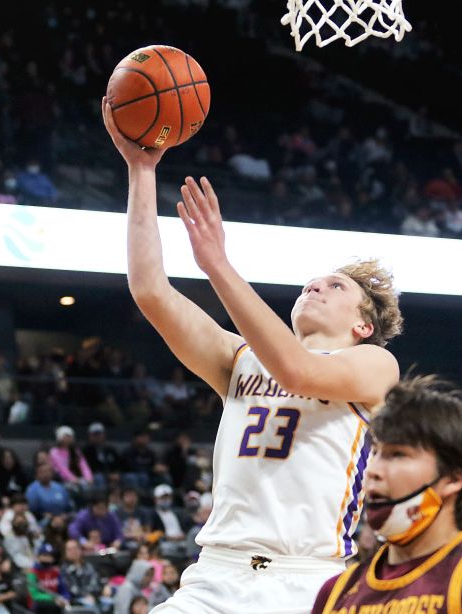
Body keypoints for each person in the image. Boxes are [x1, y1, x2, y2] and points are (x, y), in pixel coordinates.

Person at [103, 95, 402, 614]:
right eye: (309, 284)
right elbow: (151, 291)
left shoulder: (375, 366)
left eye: (333, 287)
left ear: (364, 324)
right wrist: (141, 171)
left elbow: (298, 369)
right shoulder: (239, 356)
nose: (315, 288)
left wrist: (217, 264)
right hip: (215, 574)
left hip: (308, 581)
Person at [312, 376, 462, 613]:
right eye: (375, 452)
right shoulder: (336, 592)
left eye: (397, 454)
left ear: (453, 478)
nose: (373, 470)